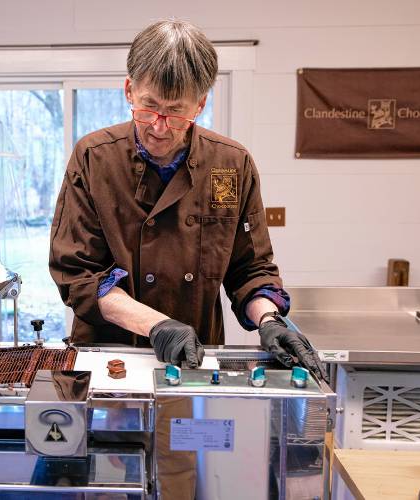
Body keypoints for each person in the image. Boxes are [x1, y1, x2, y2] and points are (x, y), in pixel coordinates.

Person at [48, 19, 325, 380]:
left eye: (176, 112)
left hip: (195, 354)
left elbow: (251, 268)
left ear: (200, 105)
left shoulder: (231, 164)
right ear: (129, 90)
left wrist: (271, 320)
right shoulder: (94, 158)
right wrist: (156, 324)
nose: (159, 127)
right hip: (109, 354)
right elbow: (78, 274)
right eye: (148, 108)